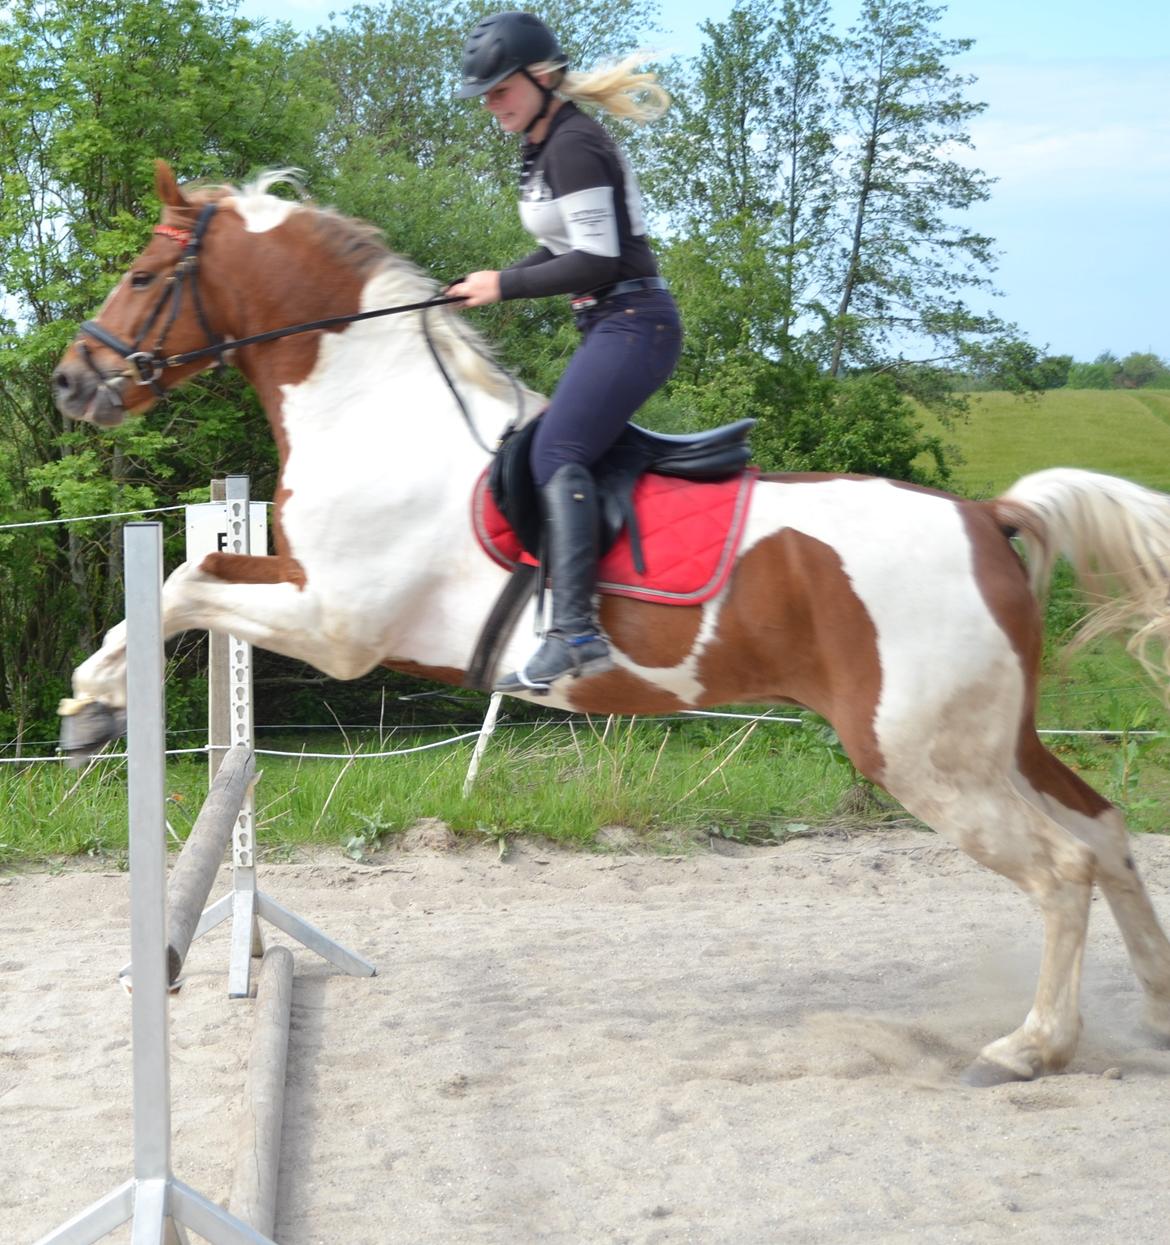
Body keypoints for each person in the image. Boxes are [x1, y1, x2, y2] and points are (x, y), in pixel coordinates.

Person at [449, 11, 682, 696]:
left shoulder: (573, 145)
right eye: (486, 95)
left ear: (542, 77)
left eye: (500, 91)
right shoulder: (544, 143)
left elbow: (597, 259)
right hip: (611, 323)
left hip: (633, 322)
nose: (492, 106)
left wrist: (504, 286)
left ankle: (575, 630)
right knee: (546, 443)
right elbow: (562, 251)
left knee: (556, 452)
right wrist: (483, 282)